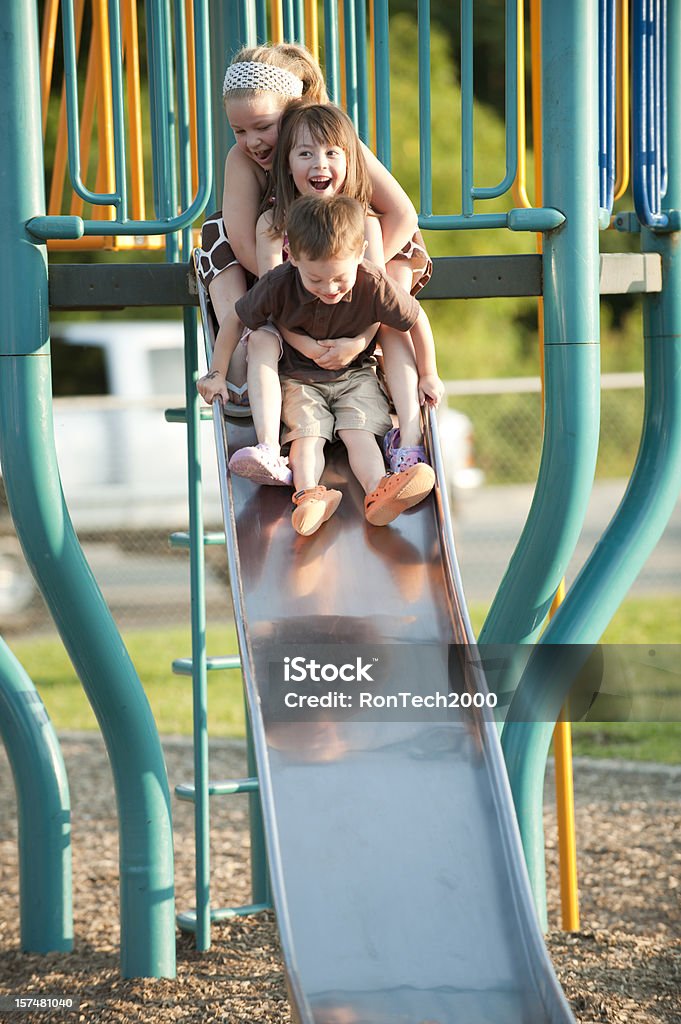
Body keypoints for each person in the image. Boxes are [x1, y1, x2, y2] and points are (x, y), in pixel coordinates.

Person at [195, 42, 430, 484]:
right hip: (283, 271)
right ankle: (242, 359)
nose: (252, 142)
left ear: (295, 111)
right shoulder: (243, 162)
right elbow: (246, 244)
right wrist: (301, 273)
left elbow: (402, 214)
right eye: (239, 131)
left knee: (393, 245)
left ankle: (384, 355)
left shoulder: (333, 144)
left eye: (263, 127)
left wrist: (351, 269)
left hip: (354, 271)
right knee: (214, 233)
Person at [233, 194, 442, 537]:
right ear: (294, 258)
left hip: (356, 376)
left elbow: (415, 318)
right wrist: (216, 372)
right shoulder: (279, 282)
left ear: (360, 253)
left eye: (338, 280)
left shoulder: (371, 280)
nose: (328, 288)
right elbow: (237, 319)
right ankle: (309, 494)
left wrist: (429, 373)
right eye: (315, 281)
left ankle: (380, 489)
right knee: (308, 437)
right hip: (300, 379)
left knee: (359, 435)